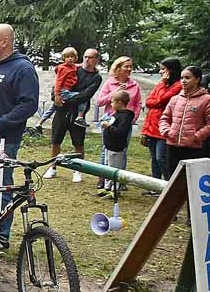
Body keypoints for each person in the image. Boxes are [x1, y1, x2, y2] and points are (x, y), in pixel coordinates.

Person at [0, 24, 39, 251]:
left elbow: (29, 104)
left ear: (5, 42)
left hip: (5, 139)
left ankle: (1, 237)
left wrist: (1, 123)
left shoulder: (23, 69)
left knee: (3, 186)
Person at [43, 48, 103, 182]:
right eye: (86, 56)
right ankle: (52, 167)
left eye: (91, 57)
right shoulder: (74, 68)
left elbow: (86, 95)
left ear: (96, 60)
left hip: (78, 114)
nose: (87, 60)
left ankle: (78, 169)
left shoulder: (96, 77)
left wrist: (66, 99)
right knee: (55, 140)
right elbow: (59, 82)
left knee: (78, 143)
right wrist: (56, 96)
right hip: (62, 110)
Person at [94, 56, 141, 188]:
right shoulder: (110, 83)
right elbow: (100, 101)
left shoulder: (134, 85)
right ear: (118, 67)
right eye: (126, 66)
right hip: (110, 119)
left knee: (123, 150)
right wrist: (114, 93)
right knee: (106, 150)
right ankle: (103, 178)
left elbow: (138, 103)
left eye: (130, 66)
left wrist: (134, 117)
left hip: (125, 121)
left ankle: (120, 180)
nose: (129, 69)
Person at [159, 65, 210, 176]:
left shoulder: (207, 99)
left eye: (187, 78)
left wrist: (196, 137)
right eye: (181, 78)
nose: (183, 81)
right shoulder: (175, 99)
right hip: (173, 145)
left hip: (194, 148)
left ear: (197, 79)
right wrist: (167, 131)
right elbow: (164, 118)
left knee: (191, 179)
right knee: (173, 178)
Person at [140, 58, 182, 188]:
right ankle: (155, 185)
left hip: (164, 128)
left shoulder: (178, 86)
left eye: (163, 69)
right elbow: (149, 101)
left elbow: (163, 100)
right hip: (152, 126)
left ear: (171, 70)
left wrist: (162, 87)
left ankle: (168, 186)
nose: (160, 72)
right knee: (154, 159)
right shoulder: (160, 85)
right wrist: (157, 99)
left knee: (161, 158)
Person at [98, 90, 135, 197]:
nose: (111, 104)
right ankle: (107, 187)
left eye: (113, 102)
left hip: (116, 148)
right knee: (108, 167)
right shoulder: (116, 114)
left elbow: (121, 132)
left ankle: (115, 190)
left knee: (114, 169)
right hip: (109, 146)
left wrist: (109, 127)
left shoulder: (125, 117)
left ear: (120, 103)